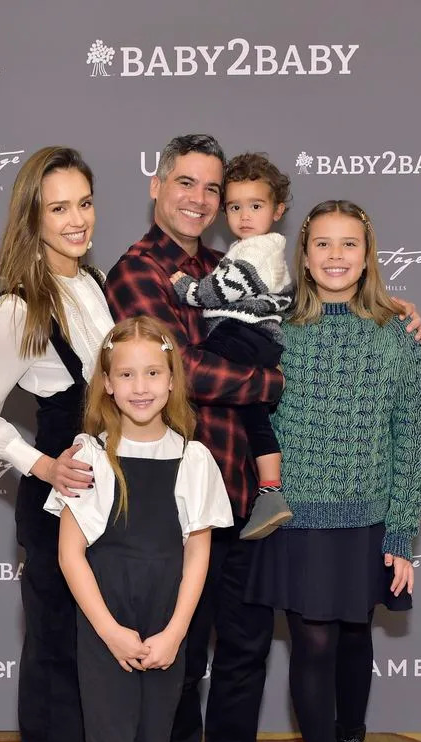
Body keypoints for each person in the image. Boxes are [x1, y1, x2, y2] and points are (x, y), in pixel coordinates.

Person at [105, 134, 421, 742]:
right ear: (157, 186)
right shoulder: (141, 270)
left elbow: (303, 311)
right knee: (184, 660)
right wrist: (274, 381)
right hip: (182, 496)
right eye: (184, 183)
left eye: (212, 190)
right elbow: (179, 370)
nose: (199, 199)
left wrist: (389, 306)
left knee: (245, 649)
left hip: (247, 499)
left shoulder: (226, 269)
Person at [246, 200, 421, 742]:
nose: (333, 255)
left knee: (355, 639)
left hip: (369, 521)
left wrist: (400, 535)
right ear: (302, 254)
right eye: (320, 243)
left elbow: (412, 439)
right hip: (298, 521)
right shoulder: (274, 331)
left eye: (347, 244)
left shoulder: (394, 336)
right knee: (314, 645)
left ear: (366, 253)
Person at [45, 316, 232, 742]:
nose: (141, 385)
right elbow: (72, 555)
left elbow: (198, 551)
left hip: (166, 624)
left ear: (172, 378)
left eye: (153, 372)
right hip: (109, 623)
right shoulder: (90, 455)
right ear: (106, 382)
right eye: (125, 374)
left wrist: (178, 631)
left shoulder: (195, 456)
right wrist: (110, 632)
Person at [0, 146, 113, 742]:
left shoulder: (95, 282)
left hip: (111, 503)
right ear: (33, 216)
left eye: (83, 202)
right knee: (56, 667)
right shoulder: (20, 305)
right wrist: (41, 462)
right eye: (60, 207)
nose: (77, 219)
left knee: (98, 662)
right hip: (58, 507)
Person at [171, 152, 294, 541]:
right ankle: (271, 487)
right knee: (254, 415)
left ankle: (268, 489)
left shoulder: (255, 250)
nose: (244, 216)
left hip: (246, 336)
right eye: (235, 207)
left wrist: (186, 289)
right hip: (258, 339)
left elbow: (223, 288)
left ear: (278, 209)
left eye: (255, 206)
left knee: (194, 366)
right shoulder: (252, 247)